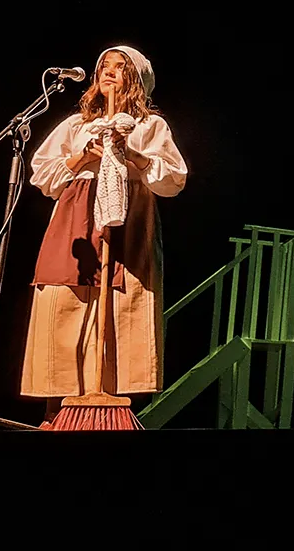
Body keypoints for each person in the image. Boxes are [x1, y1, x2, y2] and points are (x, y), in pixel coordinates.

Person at [21, 45, 187, 427]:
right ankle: (56, 412)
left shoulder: (149, 127)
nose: (108, 72)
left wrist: (132, 154)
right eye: (104, 66)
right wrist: (83, 158)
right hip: (76, 220)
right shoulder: (77, 125)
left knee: (118, 308)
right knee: (65, 303)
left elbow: (173, 180)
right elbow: (43, 175)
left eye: (120, 67)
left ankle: (107, 410)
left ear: (137, 80)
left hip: (128, 222)